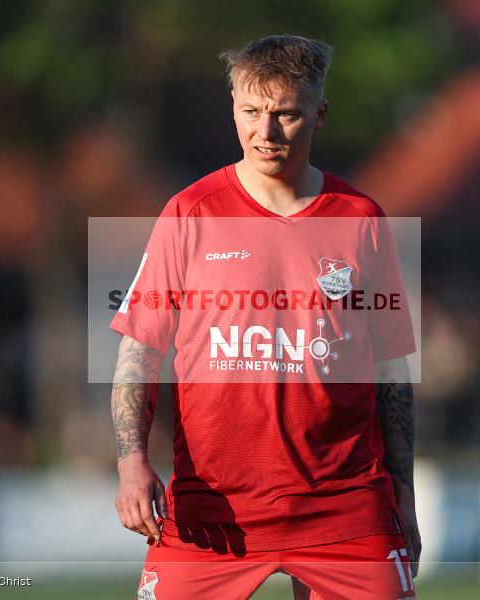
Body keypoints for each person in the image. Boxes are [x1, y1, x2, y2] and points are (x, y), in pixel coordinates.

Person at [110, 35, 420, 599]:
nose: (266, 132)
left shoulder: (361, 220)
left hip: (345, 510)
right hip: (211, 513)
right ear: (233, 108)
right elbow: (140, 351)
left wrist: (405, 497)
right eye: (251, 112)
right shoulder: (188, 213)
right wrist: (131, 460)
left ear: (319, 113)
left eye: (286, 114)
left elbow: (391, 375)